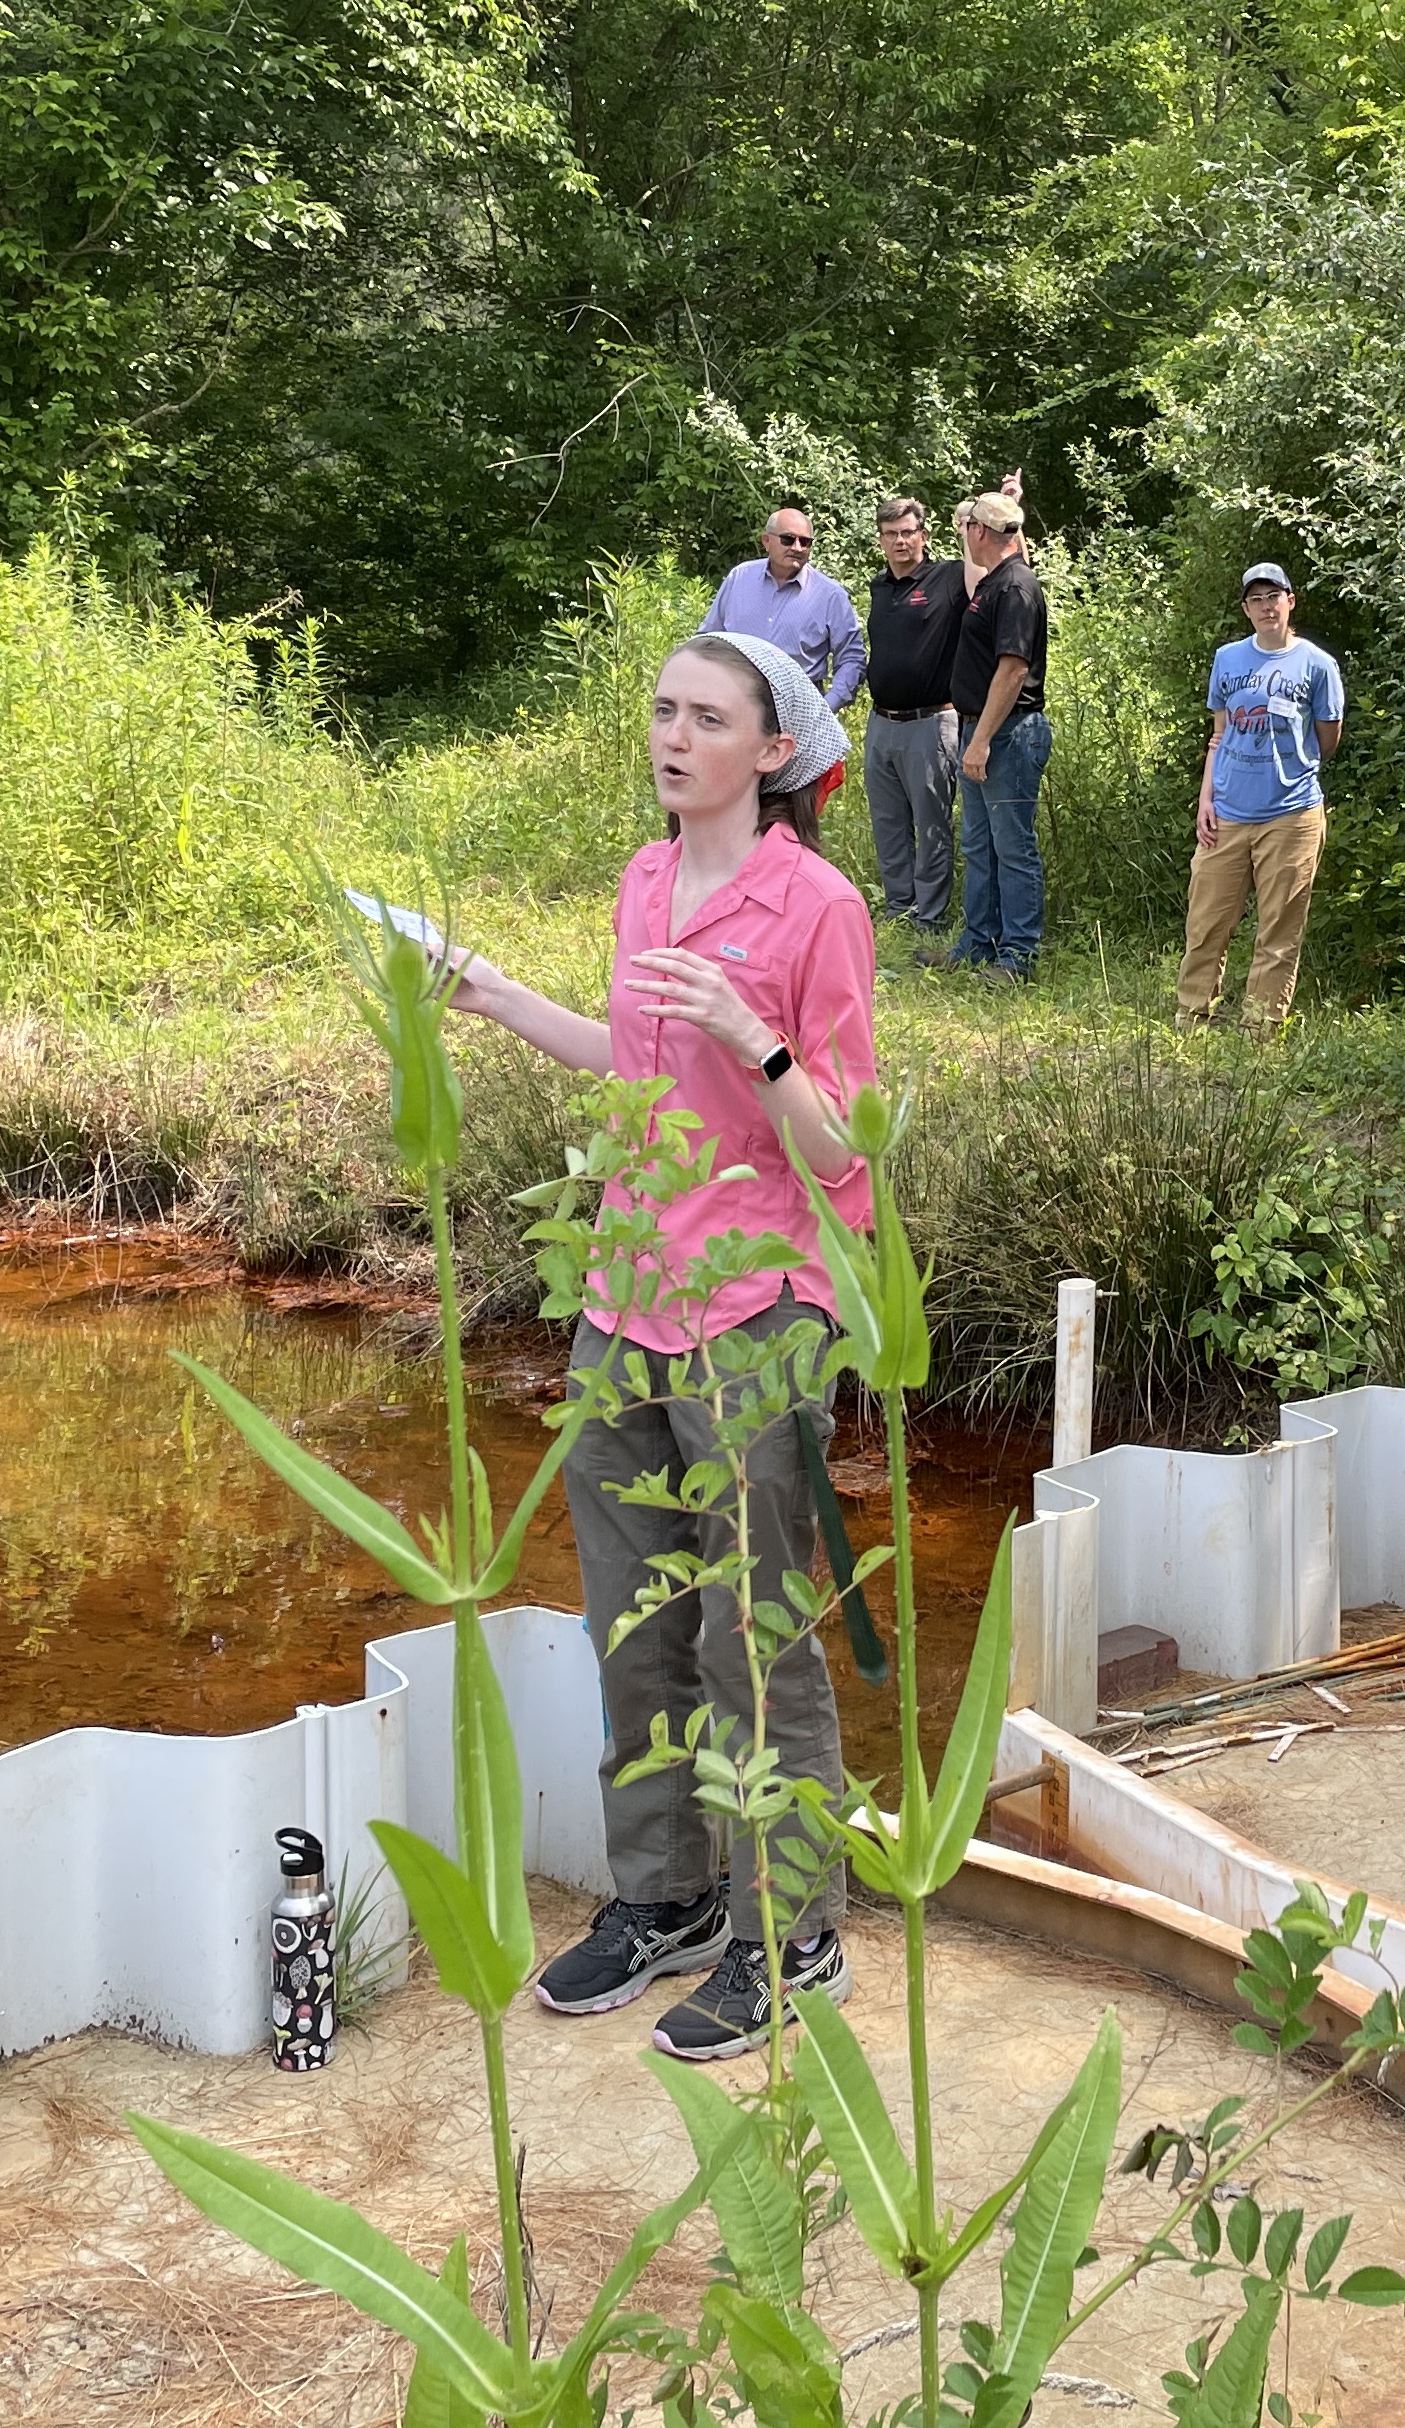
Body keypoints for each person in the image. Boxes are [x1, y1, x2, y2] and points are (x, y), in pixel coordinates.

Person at [429, 629, 875, 2061]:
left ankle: (789, 1926)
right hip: (624, 1302)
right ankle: (668, 1898)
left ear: (772, 750)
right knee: (637, 1632)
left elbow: (844, 1147)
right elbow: (632, 1065)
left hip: (758, 1310)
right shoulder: (642, 877)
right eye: (664, 712)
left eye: (707, 718)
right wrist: (496, 996)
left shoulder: (816, 908)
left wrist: (760, 1041)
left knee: (758, 1636)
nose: (674, 737)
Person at [1179, 563, 1345, 1030]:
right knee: (1206, 923)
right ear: (1246, 609)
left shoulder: (1317, 665)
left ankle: (1260, 1028)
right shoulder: (1228, 659)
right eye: (1257, 599)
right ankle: (1191, 1018)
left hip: (1292, 815)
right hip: (1227, 813)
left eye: (1275, 596)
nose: (1266, 606)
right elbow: (1219, 735)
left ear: (1291, 601)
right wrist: (1206, 798)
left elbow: (1327, 740)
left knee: (1278, 930)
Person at [949, 489, 1052, 978]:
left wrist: (982, 739)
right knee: (979, 844)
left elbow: (1012, 670)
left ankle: (1018, 956)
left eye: (966, 526)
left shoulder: (1014, 588)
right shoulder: (999, 580)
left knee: (1012, 847)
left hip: (1007, 734)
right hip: (984, 730)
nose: (963, 534)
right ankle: (979, 943)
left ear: (979, 533)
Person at [860, 495, 965, 942]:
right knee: (888, 824)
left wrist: (1008, 513)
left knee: (931, 824)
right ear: (881, 540)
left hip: (932, 723)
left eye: (908, 532)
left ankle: (931, 918)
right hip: (881, 723)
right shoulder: (879, 587)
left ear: (923, 534)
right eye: (891, 534)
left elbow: (1008, 566)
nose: (900, 541)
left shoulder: (949, 578)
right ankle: (900, 909)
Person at [700, 506, 867, 712]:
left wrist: (826, 707)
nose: (797, 547)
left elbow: (852, 658)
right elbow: (707, 640)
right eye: (788, 539)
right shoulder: (739, 579)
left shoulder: (830, 596)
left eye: (805, 542)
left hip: (798, 709)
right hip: (733, 704)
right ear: (766, 541)